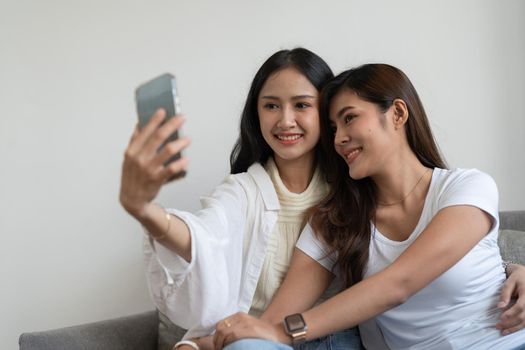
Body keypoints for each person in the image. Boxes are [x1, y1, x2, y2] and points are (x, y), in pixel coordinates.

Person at [213, 64, 525, 350]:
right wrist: (196, 345)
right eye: (333, 128)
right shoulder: (336, 221)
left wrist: (287, 331)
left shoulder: (466, 187)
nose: (339, 139)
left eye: (349, 118)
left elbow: (399, 283)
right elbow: (270, 322)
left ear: (398, 114)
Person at [119, 48, 362, 350]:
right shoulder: (243, 190)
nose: (286, 121)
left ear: (325, 113)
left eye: (301, 105)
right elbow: (204, 237)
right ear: (256, 113)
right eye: (271, 106)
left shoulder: (351, 191)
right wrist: (144, 210)